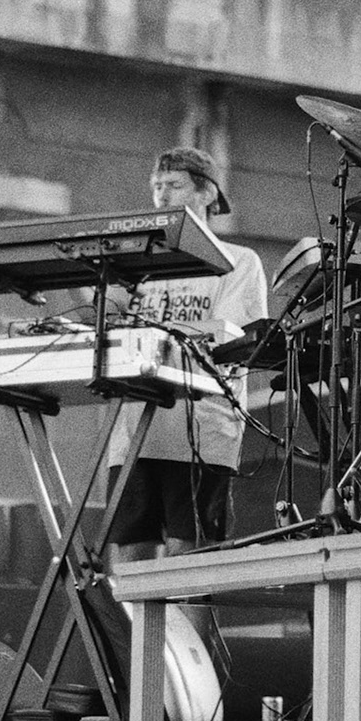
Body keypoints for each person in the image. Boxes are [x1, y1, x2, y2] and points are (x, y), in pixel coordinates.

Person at [105, 146, 269, 563]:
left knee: (190, 555)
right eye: (156, 186)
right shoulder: (137, 265)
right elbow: (105, 319)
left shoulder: (238, 261)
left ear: (207, 193)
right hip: (133, 433)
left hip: (202, 428)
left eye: (174, 185)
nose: (161, 195)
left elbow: (225, 337)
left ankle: (189, 613)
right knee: (129, 555)